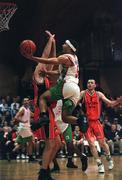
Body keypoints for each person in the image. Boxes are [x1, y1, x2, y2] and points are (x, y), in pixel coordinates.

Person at [21, 35, 83, 129]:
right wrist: (52, 42)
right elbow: (57, 68)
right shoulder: (75, 58)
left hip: (58, 94)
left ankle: (43, 118)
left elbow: (48, 58)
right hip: (75, 89)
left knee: (43, 97)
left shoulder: (38, 75)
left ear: (70, 47)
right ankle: (81, 121)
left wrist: (32, 57)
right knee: (65, 117)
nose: (62, 45)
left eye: (65, 44)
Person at [31, 31, 61, 180]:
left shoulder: (46, 74)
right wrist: (49, 40)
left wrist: (54, 43)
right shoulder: (37, 72)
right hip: (42, 111)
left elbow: (53, 60)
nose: (46, 64)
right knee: (50, 143)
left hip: (49, 110)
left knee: (57, 143)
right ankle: (43, 174)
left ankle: (45, 168)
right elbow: (45, 56)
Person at [80, 79, 121, 173]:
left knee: (102, 143)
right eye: (88, 83)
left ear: (95, 85)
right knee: (91, 143)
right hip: (87, 122)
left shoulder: (99, 94)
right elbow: (75, 102)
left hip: (96, 122)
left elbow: (110, 103)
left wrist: (118, 101)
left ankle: (109, 158)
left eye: (91, 83)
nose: (89, 84)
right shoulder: (83, 93)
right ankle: (99, 164)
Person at [51, 100, 88, 172]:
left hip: (65, 124)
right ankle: (55, 166)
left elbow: (76, 105)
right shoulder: (50, 99)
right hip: (54, 125)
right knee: (53, 146)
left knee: (70, 144)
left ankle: (82, 157)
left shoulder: (65, 99)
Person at [12, 97, 35, 162]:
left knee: (20, 144)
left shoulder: (28, 109)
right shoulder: (22, 109)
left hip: (24, 128)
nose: (26, 102)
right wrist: (22, 121)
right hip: (24, 127)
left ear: (29, 102)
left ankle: (11, 153)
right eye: (25, 101)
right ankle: (30, 157)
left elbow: (33, 115)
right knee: (31, 141)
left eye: (27, 101)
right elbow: (16, 117)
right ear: (23, 102)